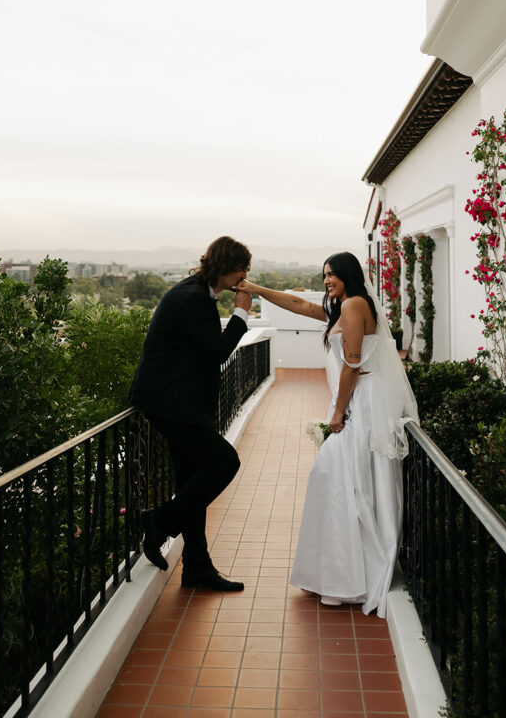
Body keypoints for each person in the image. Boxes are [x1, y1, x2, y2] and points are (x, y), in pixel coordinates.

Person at [237, 251, 419, 616]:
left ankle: (348, 577)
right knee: (341, 481)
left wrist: (338, 411)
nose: (327, 281)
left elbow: (352, 362)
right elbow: (301, 306)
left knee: (339, 479)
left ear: (349, 275)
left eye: (333, 274)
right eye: (324, 276)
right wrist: (254, 289)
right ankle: (334, 574)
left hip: (360, 407)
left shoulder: (353, 306)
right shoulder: (345, 307)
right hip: (356, 402)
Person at [130, 235, 252, 590]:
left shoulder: (198, 292)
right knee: (224, 462)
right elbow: (216, 351)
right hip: (170, 405)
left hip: (181, 403)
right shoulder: (192, 298)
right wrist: (242, 312)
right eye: (242, 268)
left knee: (190, 483)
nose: (245, 275)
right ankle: (157, 522)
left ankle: (197, 567)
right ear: (227, 269)